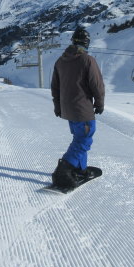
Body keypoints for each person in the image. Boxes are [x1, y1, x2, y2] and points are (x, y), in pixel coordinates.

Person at [50, 27, 105, 189]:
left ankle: (80, 170)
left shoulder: (60, 61)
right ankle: (64, 169)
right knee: (84, 140)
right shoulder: (87, 60)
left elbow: (55, 88)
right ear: (86, 43)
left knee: (79, 137)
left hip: (68, 110)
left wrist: (58, 106)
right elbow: (97, 85)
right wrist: (99, 103)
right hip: (83, 109)